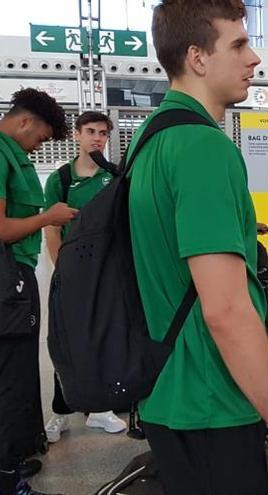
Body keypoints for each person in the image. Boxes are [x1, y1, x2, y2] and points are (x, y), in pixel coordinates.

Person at [128, 1, 268, 494]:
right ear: (197, 58)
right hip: (211, 398)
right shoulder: (203, 148)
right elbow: (225, 310)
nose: (254, 58)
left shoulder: (150, 135)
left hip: (167, 388)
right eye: (239, 44)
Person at [0, 88, 76, 495]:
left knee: (23, 372)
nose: (39, 146)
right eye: (41, 138)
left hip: (18, 276)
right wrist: (49, 217)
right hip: (5, 278)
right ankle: (7, 479)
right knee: (10, 378)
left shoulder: (14, 156)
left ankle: (12, 459)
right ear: (25, 121)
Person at [43, 111, 127, 444]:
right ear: (77, 134)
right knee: (66, 340)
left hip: (110, 273)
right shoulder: (60, 179)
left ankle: (101, 408)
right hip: (74, 272)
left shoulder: (114, 176)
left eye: (103, 133)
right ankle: (61, 410)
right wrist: (62, 268)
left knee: (105, 336)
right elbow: (52, 226)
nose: (97, 138)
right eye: (91, 131)